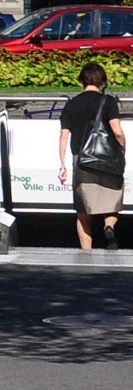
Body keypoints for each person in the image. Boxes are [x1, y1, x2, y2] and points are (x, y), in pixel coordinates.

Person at [59, 60, 126, 251]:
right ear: (102, 81)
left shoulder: (72, 104)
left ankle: (86, 254)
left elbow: (64, 135)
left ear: (81, 80)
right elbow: (117, 131)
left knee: (83, 211)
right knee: (112, 201)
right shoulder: (109, 101)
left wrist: (62, 165)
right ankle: (109, 226)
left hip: (82, 160)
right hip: (109, 159)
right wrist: (122, 150)